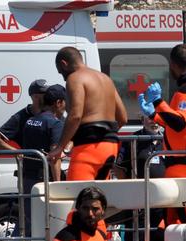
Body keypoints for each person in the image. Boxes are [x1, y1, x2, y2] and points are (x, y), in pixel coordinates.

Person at [138, 43, 186, 224]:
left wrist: (158, 102)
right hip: (181, 158)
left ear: (172, 64)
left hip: (185, 159)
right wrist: (154, 115)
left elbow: (179, 123)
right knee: (172, 218)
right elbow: (176, 124)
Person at [3, 85, 66, 241]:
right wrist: (57, 183)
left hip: (27, 178)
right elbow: (55, 157)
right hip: (43, 179)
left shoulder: (30, 121)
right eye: (65, 103)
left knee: (24, 224)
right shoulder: (55, 124)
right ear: (58, 103)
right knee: (51, 223)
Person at [47, 47, 127, 181]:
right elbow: (123, 117)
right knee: (99, 197)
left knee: (76, 195)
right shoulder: (106, 79)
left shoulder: (74, 78)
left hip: (88, 148)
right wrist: (104, 135)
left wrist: (60, 147)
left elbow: (75, 115)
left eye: (61, 72)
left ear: (64, 64)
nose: (63, 76)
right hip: (110, 147)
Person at [113, 115, 165, 241]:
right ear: (142, 120)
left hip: (163, 197)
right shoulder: (132, 139)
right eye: (150, 118)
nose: (154, 121)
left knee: (159, 233)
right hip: (139, 197)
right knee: (137, 233)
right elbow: (118, 168)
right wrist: (130, 187)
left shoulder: (167, 138)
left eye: (157, 118)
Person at [0, 79, 50, 152]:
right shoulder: (20, 117)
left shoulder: (53, 112)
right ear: (35, 96)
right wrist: (17, 152)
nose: (49, 96)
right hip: (30, 162)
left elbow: (66, 133)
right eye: (46, 94)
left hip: (52, 162)